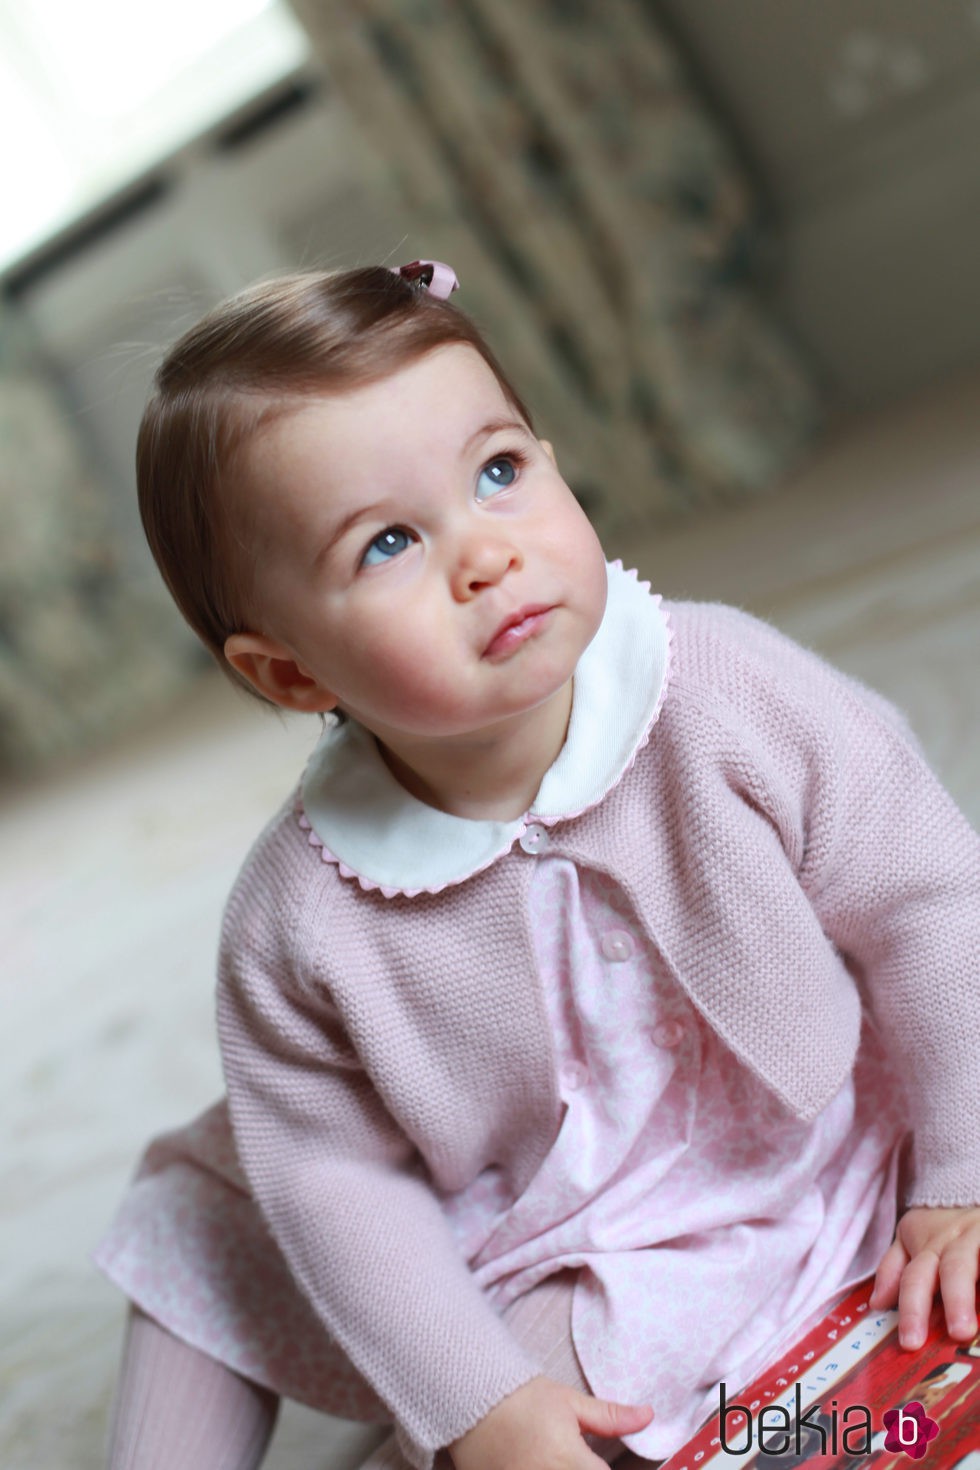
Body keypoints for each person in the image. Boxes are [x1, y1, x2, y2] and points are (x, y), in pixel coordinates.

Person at [95, 261, 980, 1470]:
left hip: (811, 1137)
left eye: (499, 473)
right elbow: (333, 1186)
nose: (484, 553)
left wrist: (959, 1170)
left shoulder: (722, 689)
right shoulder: (297, 920)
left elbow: (927, 900)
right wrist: (477, 1401)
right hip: (542, 1234)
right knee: (211, 1214)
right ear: (294, 676)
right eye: (390, 543)